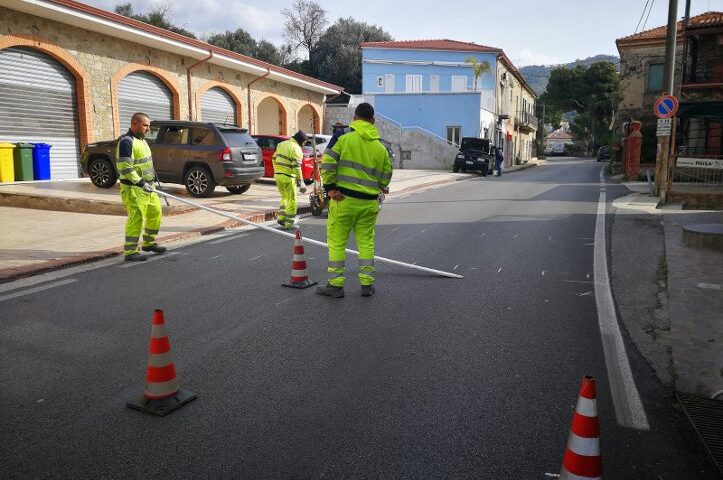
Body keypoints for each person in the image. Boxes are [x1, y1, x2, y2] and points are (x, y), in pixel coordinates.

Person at [316, 103, 392, 298]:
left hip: (343, 200)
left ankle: (336, 285)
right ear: (373, 121)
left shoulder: (343, 138)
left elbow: (328, 162)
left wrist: (330, 189)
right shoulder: (381, 147)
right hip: (369, 203)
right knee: (366, 242)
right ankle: (367, 285)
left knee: (337, 242)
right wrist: (377, 185)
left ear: (355, 118)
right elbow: (385, 178)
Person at [116, 112, 166, 262]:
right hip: (134, 188)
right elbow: (125, 167)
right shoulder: (126, 142)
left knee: (155, 213)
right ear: (134, 124)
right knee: (136, 218)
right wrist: (141, 183)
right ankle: (130, 251)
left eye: (149, 126)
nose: (148, 129)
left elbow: (145, 163)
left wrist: (152, 181)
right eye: (145, 125)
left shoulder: (142, 141)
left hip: (148, 188)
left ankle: (149, 243)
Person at [273, 131, 308, 230]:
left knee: (284, 197)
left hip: (278, 175)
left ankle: (282, 217)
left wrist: (278, 170)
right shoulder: (296, 148)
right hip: (288, 177)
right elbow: (296, 167)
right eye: (304, 142)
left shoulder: (281, 144)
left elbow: (274, 158)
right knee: (292, 200)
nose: (304, 144)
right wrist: (301, 182)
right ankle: (289, 223)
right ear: (301, 141)